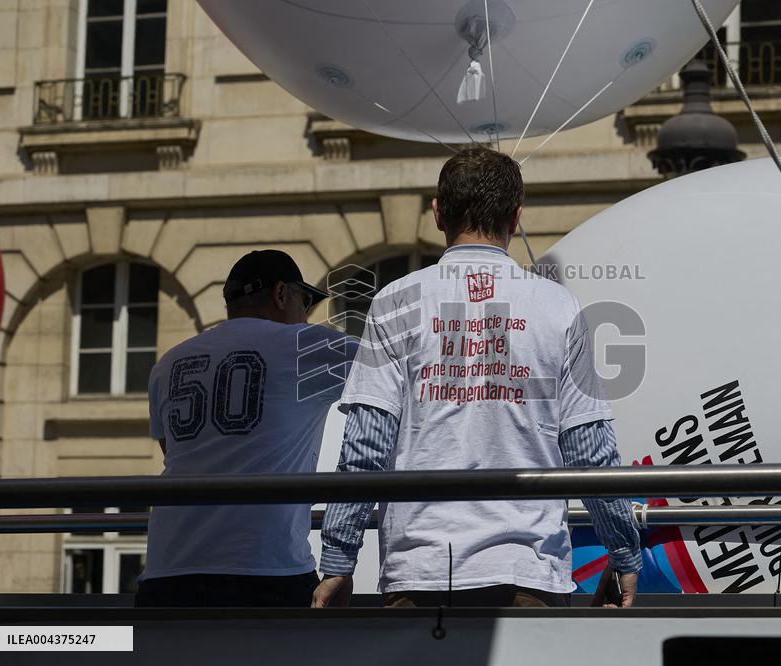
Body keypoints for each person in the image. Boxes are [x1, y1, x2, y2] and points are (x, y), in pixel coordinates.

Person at [313, 148, 642, 609]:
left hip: (419, 568)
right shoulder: (556, 305)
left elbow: (366, 447)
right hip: (528, 568)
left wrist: (339, 560)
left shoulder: (394, 301)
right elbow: (589, 447)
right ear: (516, 216)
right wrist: (624, 550)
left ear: (437, 213)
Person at [136, 250, 357, 607]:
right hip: (264, 570)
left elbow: (174, 453)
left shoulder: (168, 364)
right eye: (306, 303)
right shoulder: (305, 346)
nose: (307, 316)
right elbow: (396, 375)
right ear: (282, 294)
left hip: (167, 573)